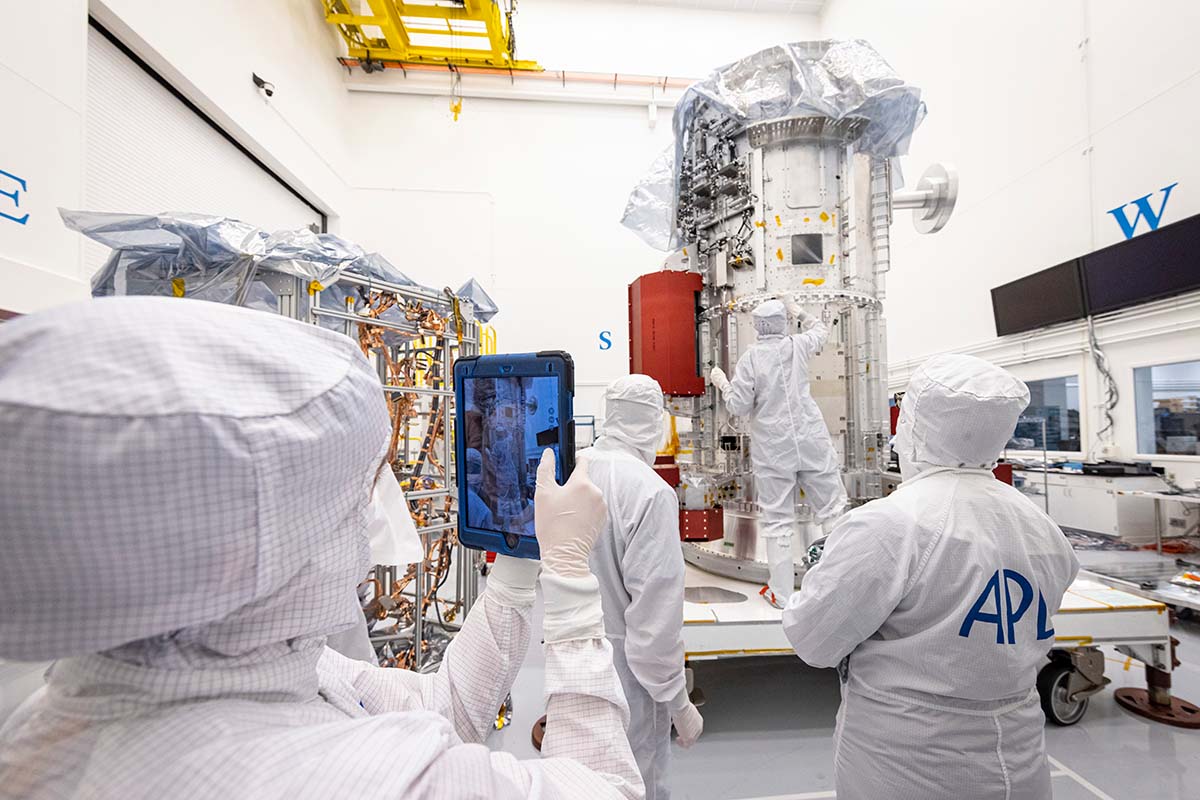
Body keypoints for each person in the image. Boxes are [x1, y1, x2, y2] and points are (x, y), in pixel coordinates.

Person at [0, 297, 643, 800]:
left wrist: (514, 576)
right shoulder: (372, 780)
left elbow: (441, 706)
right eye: (363, 488)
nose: (377, 514)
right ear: (245, 546)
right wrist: (571, 591)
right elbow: (606, 789)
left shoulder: (74, 712)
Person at [782, 354, 1080, 799]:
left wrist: (817, 577)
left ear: (916, 427)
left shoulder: (890, 524)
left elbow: (814, 641)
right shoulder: (1041, 527)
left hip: (908, 759)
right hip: (1017, 752)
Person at [588, 375, 703, 799]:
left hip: (572, 666)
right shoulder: (649, 492)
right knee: (635, 783)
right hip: (627, 680)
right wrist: (679, 704)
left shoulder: (576, 469)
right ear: (653, 423)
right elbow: (653, 626)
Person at [710, 296, 847, 607]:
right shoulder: (798, 345)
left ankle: (782, 595)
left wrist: (722, 384)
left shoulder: (751, 358)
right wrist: (800, 312)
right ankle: (841, 588)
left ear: (756, 327)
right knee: (833, 511)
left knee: (778, 521)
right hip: (810, 439)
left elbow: (739, 405)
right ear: (783, 322)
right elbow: (822, 331)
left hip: (774, 450)